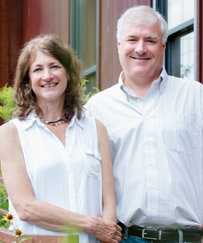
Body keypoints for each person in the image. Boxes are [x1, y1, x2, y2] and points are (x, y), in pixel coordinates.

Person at [86, 5, 203, 243]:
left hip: (189, 239)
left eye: (150, 40)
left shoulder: (196, 97)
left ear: (163, 46)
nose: (141, 48)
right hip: (124, 238)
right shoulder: (95, 109)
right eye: (132, 39)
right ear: (119, 45)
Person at [0, 34, 122, 243]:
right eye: (37, 69)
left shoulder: (95, 129)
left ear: (68, 73)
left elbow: (108, 202)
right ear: (27, 80)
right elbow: (26, 208)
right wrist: (90, 224)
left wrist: (105, 234)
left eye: (55, 66)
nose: (47, 76)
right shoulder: (11, 134)